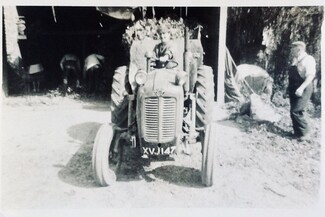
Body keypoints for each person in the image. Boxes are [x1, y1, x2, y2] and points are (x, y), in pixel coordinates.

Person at [287, 41, 316, 140]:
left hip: (304, 87)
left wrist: (301, 88)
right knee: (292, 111)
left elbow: (310, 76)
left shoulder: (309, 59)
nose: (291, 51)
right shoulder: (296, 60)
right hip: (294, 88)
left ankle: (305, 133)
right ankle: (297, 134)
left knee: (297, 110)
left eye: (292, 49)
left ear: (299, 49)